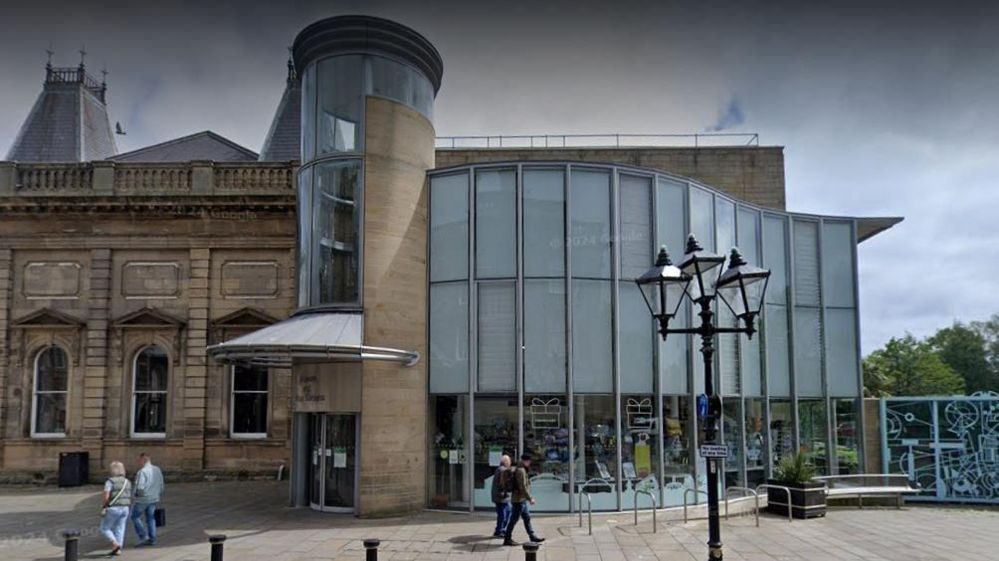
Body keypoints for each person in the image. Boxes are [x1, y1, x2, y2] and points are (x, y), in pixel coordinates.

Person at [502, 454, 545, 546]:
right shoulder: (521, 470)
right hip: (519, 500)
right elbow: (523, 487)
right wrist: (530, 498)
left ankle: (532, 536)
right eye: (529, 461)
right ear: (525, 461)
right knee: (513, 520)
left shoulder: (520, 468)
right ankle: (507, 539)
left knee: (527, 518)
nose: (530, 463)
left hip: (521, 499)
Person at [131, 452, 165, 546]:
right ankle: (152, 539)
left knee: (134, 516)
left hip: (143, 499)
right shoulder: (157, 469)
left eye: (139, 460)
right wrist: (157, 493)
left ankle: (143, 536)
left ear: (143, 460)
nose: (138, 462)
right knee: (151, 518)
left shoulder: (142, 472)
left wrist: (136, 496)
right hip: (154, 498)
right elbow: (161, 485)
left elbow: (140, 487)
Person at [100, 461, 132, 556]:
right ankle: (118, 549)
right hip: (125, 507)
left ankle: (115, 543)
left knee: (104, 528)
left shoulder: (110, 481)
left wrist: (104, 505)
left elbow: (106, 496)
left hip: (113, 508)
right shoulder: (127, 481)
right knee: (120, 528)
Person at [490, 454, 512, 538]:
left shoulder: (499, 469)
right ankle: (500, 531)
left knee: (506, 512)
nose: (510, 463)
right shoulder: (503, 470)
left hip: (500, 496)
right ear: (506, 462)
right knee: (504, 514)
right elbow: (503, 484)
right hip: (501, 497)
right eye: (509, 461)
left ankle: (500, 530)